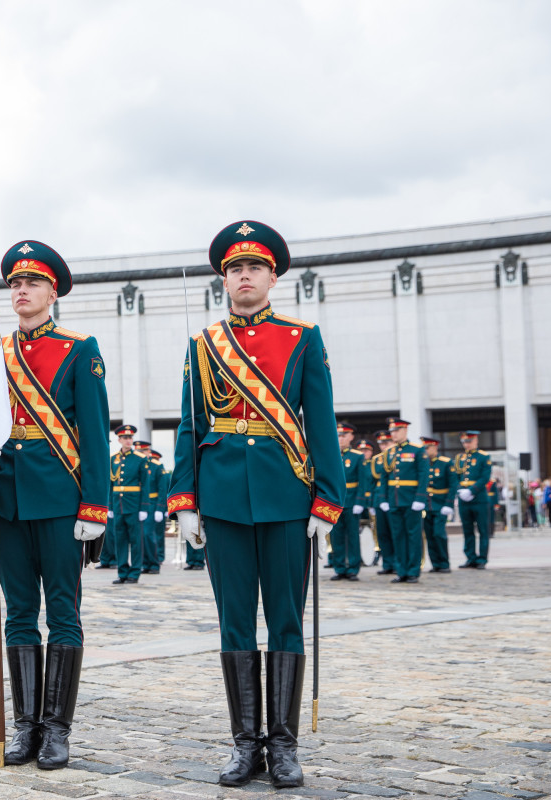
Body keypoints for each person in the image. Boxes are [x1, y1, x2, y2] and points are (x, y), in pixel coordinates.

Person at [168, 220, 344, 788]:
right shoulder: (203, 344)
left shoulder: (302, 338)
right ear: (225, 279)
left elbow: (321, 425)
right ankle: (246, 744)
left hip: (286, 495)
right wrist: (185, 500)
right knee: (235, 622)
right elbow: (190, 426)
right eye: (235, 269)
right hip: (221, 500)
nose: (245, 276)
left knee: (287, 621)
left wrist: (327, 503)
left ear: (273, 277)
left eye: (255, 268)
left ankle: (285, 745)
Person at [0, 241, 110, 770]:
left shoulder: (80, 348)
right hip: (6, 499)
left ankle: (57, 728)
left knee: (64, 613)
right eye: (14, 284)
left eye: (32, 283)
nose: (22, 290)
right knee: (20, 615)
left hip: (59, 500)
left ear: (53, 292)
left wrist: (93, 507)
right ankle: (26, 724)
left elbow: (95, 435)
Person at [375, 419, 428, 584]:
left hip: (411, 500)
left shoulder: (418, 451)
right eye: (392, 431)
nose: (394, 434)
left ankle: (413, 571)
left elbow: (423, 475)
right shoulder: (389, 453)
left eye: (397, 431)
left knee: (413, 536)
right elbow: (384, 478)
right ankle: (401, 570)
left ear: (405, 431)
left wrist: (420, 498)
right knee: (397, 536)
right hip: (394, 500)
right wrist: (383, 498)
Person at [108, 425, 150, 584]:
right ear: (119, 440)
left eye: (130, 438)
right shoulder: (113, 459)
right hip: (118, 505)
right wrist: (109, 506)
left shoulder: (140, 458)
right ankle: (122, 572)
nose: (128, 440)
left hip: (134, 505)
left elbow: (145, 484)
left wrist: (144, 507)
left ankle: (134, 573)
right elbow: (110, 485)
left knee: (136, 541)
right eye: (125, 438)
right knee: (120, 540)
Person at [329, 422, 364, 581]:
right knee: (336, 536)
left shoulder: (357, 456)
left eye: (343, 435)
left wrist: (359, 501)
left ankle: (353, 568)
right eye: (338, 435)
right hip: (335, 501)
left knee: (352, 536)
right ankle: (339, 567)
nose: (340, 438)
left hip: (351, 500)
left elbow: (363, 481)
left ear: (351, 437)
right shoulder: (331, 454)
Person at [453, 430, 492, 569]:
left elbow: (485, 477)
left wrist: (472, 490)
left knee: (483, 530)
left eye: (469, 441)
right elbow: (456, 477)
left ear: (476, 441)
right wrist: (460, 490)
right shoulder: (459, 458)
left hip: (479, 498)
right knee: (467, 530)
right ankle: (470, 557)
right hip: (464, 499)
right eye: (464, 442)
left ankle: (482, 559)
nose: (467, 444)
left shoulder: (483, 457)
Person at [422, 436, 457, 573]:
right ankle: (435, 563)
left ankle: (444, 563)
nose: (425, 451)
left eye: (427, 448)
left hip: (440, 504)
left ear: (435, 447)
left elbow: (453, 484)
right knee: (429, 535)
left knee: (438, 534)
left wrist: (449, 503)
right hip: (426, 505)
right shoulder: (424, 463)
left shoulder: (446, 463)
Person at [370, 430, 395, 573]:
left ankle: (398, 563)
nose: (384, 446)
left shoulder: (396, 457)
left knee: (395, 533)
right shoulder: (377, 459)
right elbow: (373, 482)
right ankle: (387, 564)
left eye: (387, 443)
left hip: (393, 498)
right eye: (382, 444)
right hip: (379, 500)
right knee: (383, 533)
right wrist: (372, 502)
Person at [144, 449, 169, 574]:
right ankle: (146, 563)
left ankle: (156, 560)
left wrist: (161, 508)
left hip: (154, 504)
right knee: (143, 535)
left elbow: (163, 489)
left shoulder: (157, 467)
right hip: (143, 504)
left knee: (152, 534)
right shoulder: (141, 465)